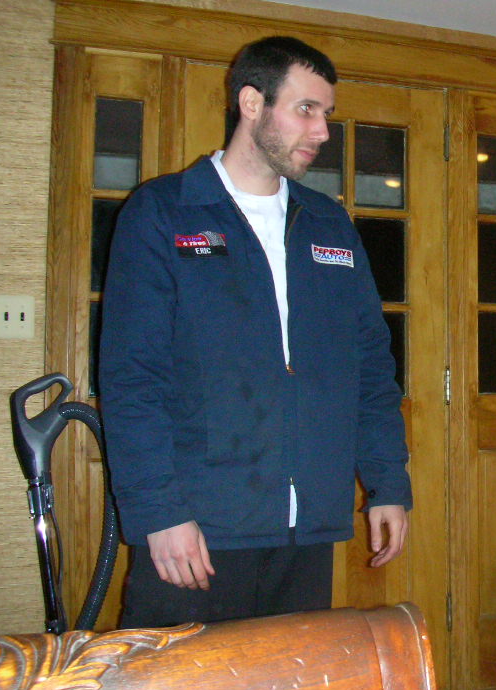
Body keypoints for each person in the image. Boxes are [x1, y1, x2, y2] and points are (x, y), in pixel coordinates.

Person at [99, 36, 411, 627]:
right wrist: (159, 512)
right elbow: (131, 379)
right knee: (177, 687)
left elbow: (371, 369)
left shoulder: (330, 225)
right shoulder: (163, 212)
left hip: (307, 532)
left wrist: (387, 483)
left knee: (290, 683)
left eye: (326, 114)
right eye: (305, 109)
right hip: (196, 533)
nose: (322, 131)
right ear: (250, 103)